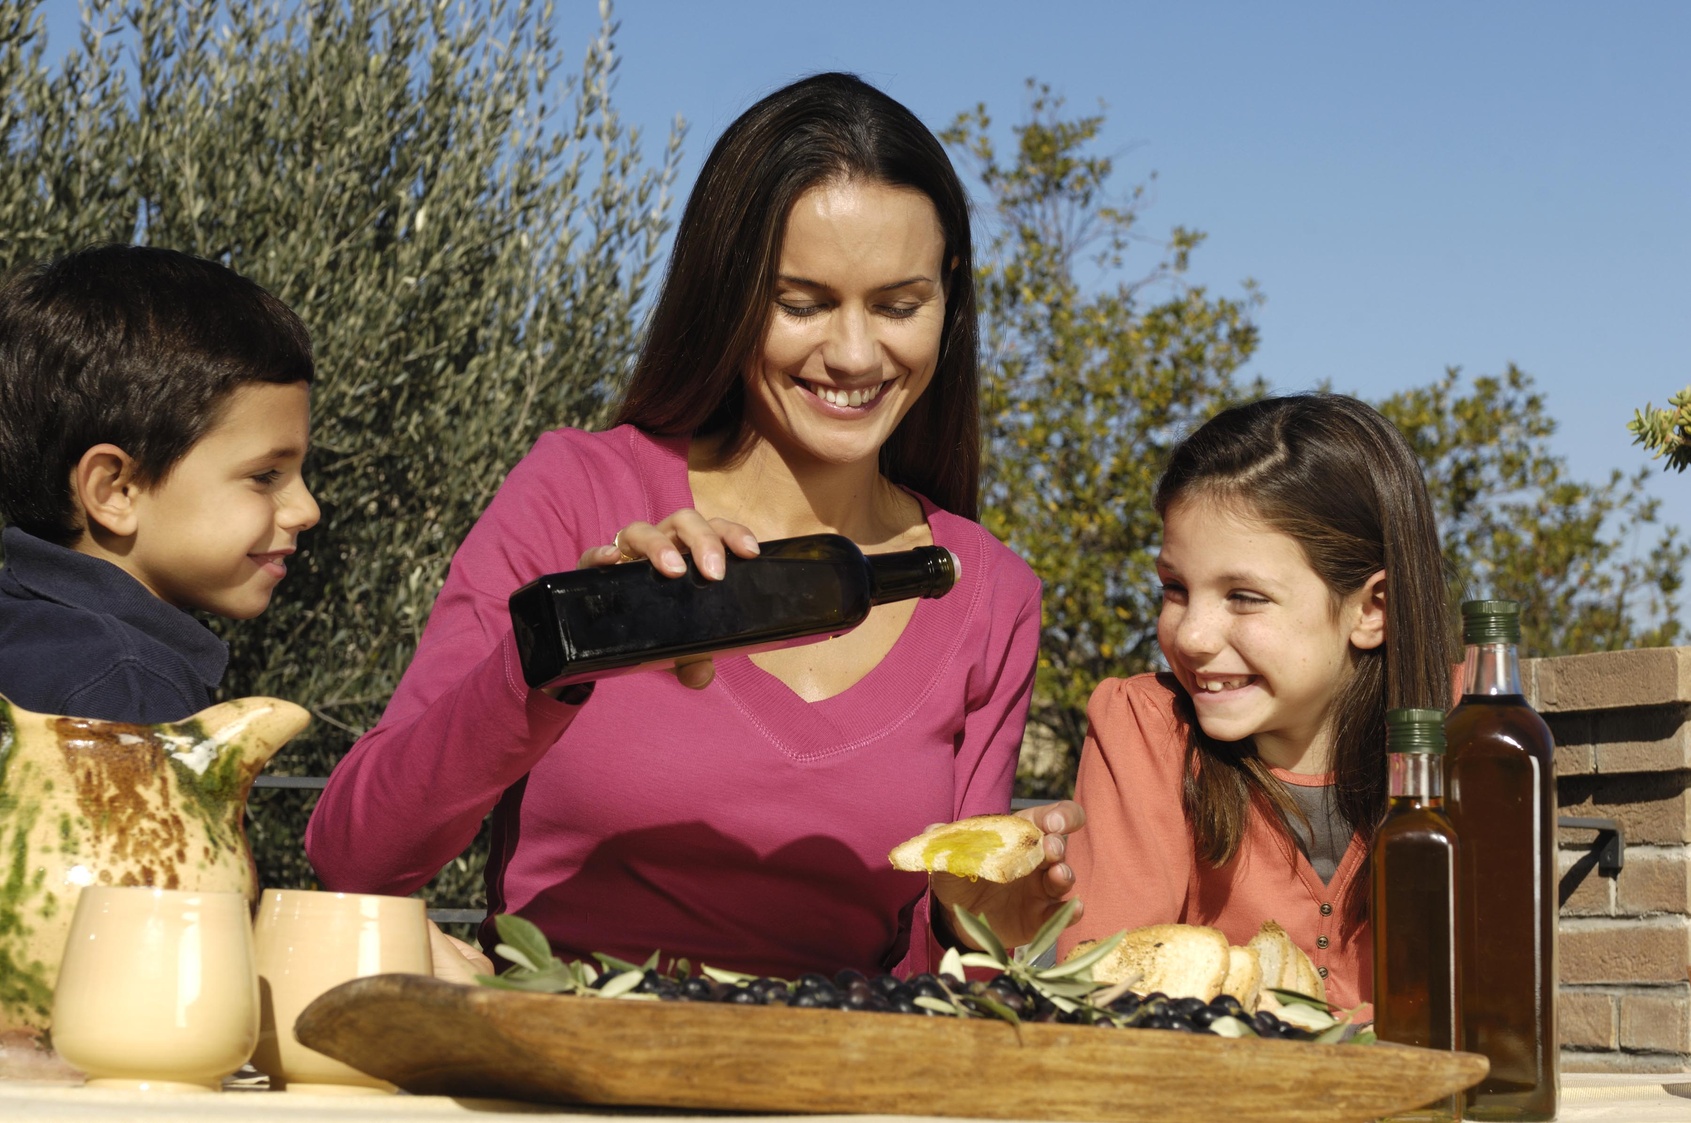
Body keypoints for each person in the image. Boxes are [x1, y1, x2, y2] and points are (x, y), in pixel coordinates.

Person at [305, 72, 1081, 979]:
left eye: (898, 305)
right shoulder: (575, 489)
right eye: (802, 303)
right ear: (730, 292)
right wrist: (565, 643)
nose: (856, 353)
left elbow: (932, 972)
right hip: (558, 1085)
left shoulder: (987, 590)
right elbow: (354, 856)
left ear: (948, 296)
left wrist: (973, 932)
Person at [1056, 394, 1455, 1011]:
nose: (1190, 635)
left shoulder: (1472, 741)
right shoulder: (1146, 729)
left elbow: (1485, 996)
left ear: (1373, 609)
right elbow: (1103, 990)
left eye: (1243, 596)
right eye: (1174, 588)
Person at [0, 244, 320, 724]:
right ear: (115, 490)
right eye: (264, 476)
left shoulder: (25, 635)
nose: (307, 509)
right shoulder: (128, 690)